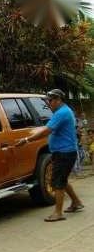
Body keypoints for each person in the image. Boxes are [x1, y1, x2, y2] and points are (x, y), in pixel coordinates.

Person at [16, 89, 84, 222]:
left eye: (51, 100)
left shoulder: (62, 113)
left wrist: (26, 140)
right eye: (48, 101)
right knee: (61, 179)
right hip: (63, 152)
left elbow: (46, 131)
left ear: (58, 100)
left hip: (64, 153)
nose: (48, 103)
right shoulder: (63, 111)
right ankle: (76, 202)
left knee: (57, 182)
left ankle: (58, 213)